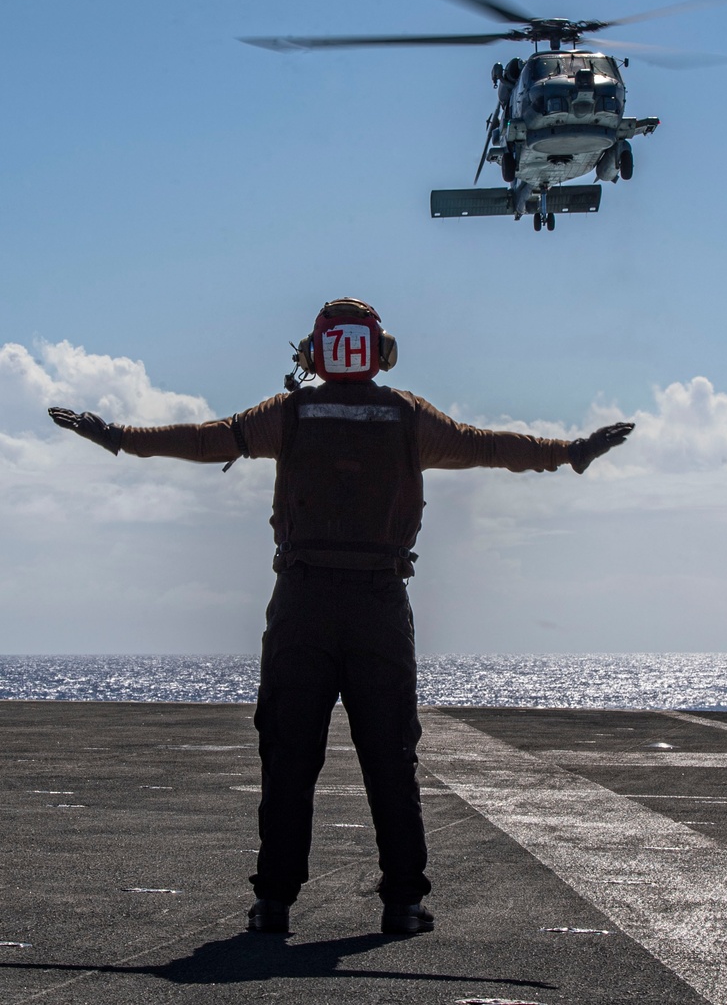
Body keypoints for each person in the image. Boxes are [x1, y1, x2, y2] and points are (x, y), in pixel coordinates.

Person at [48, 298, 633, 937]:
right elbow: (487, 447)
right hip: (379, 604)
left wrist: (118, 437)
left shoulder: (291, 412)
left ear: (313, 353)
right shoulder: (407, 415)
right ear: (382, 352)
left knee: (289, 755)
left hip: (301, 602)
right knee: (390, 756)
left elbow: (204, 438)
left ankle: (274, 904)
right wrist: (569, 451)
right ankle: (404, 903)